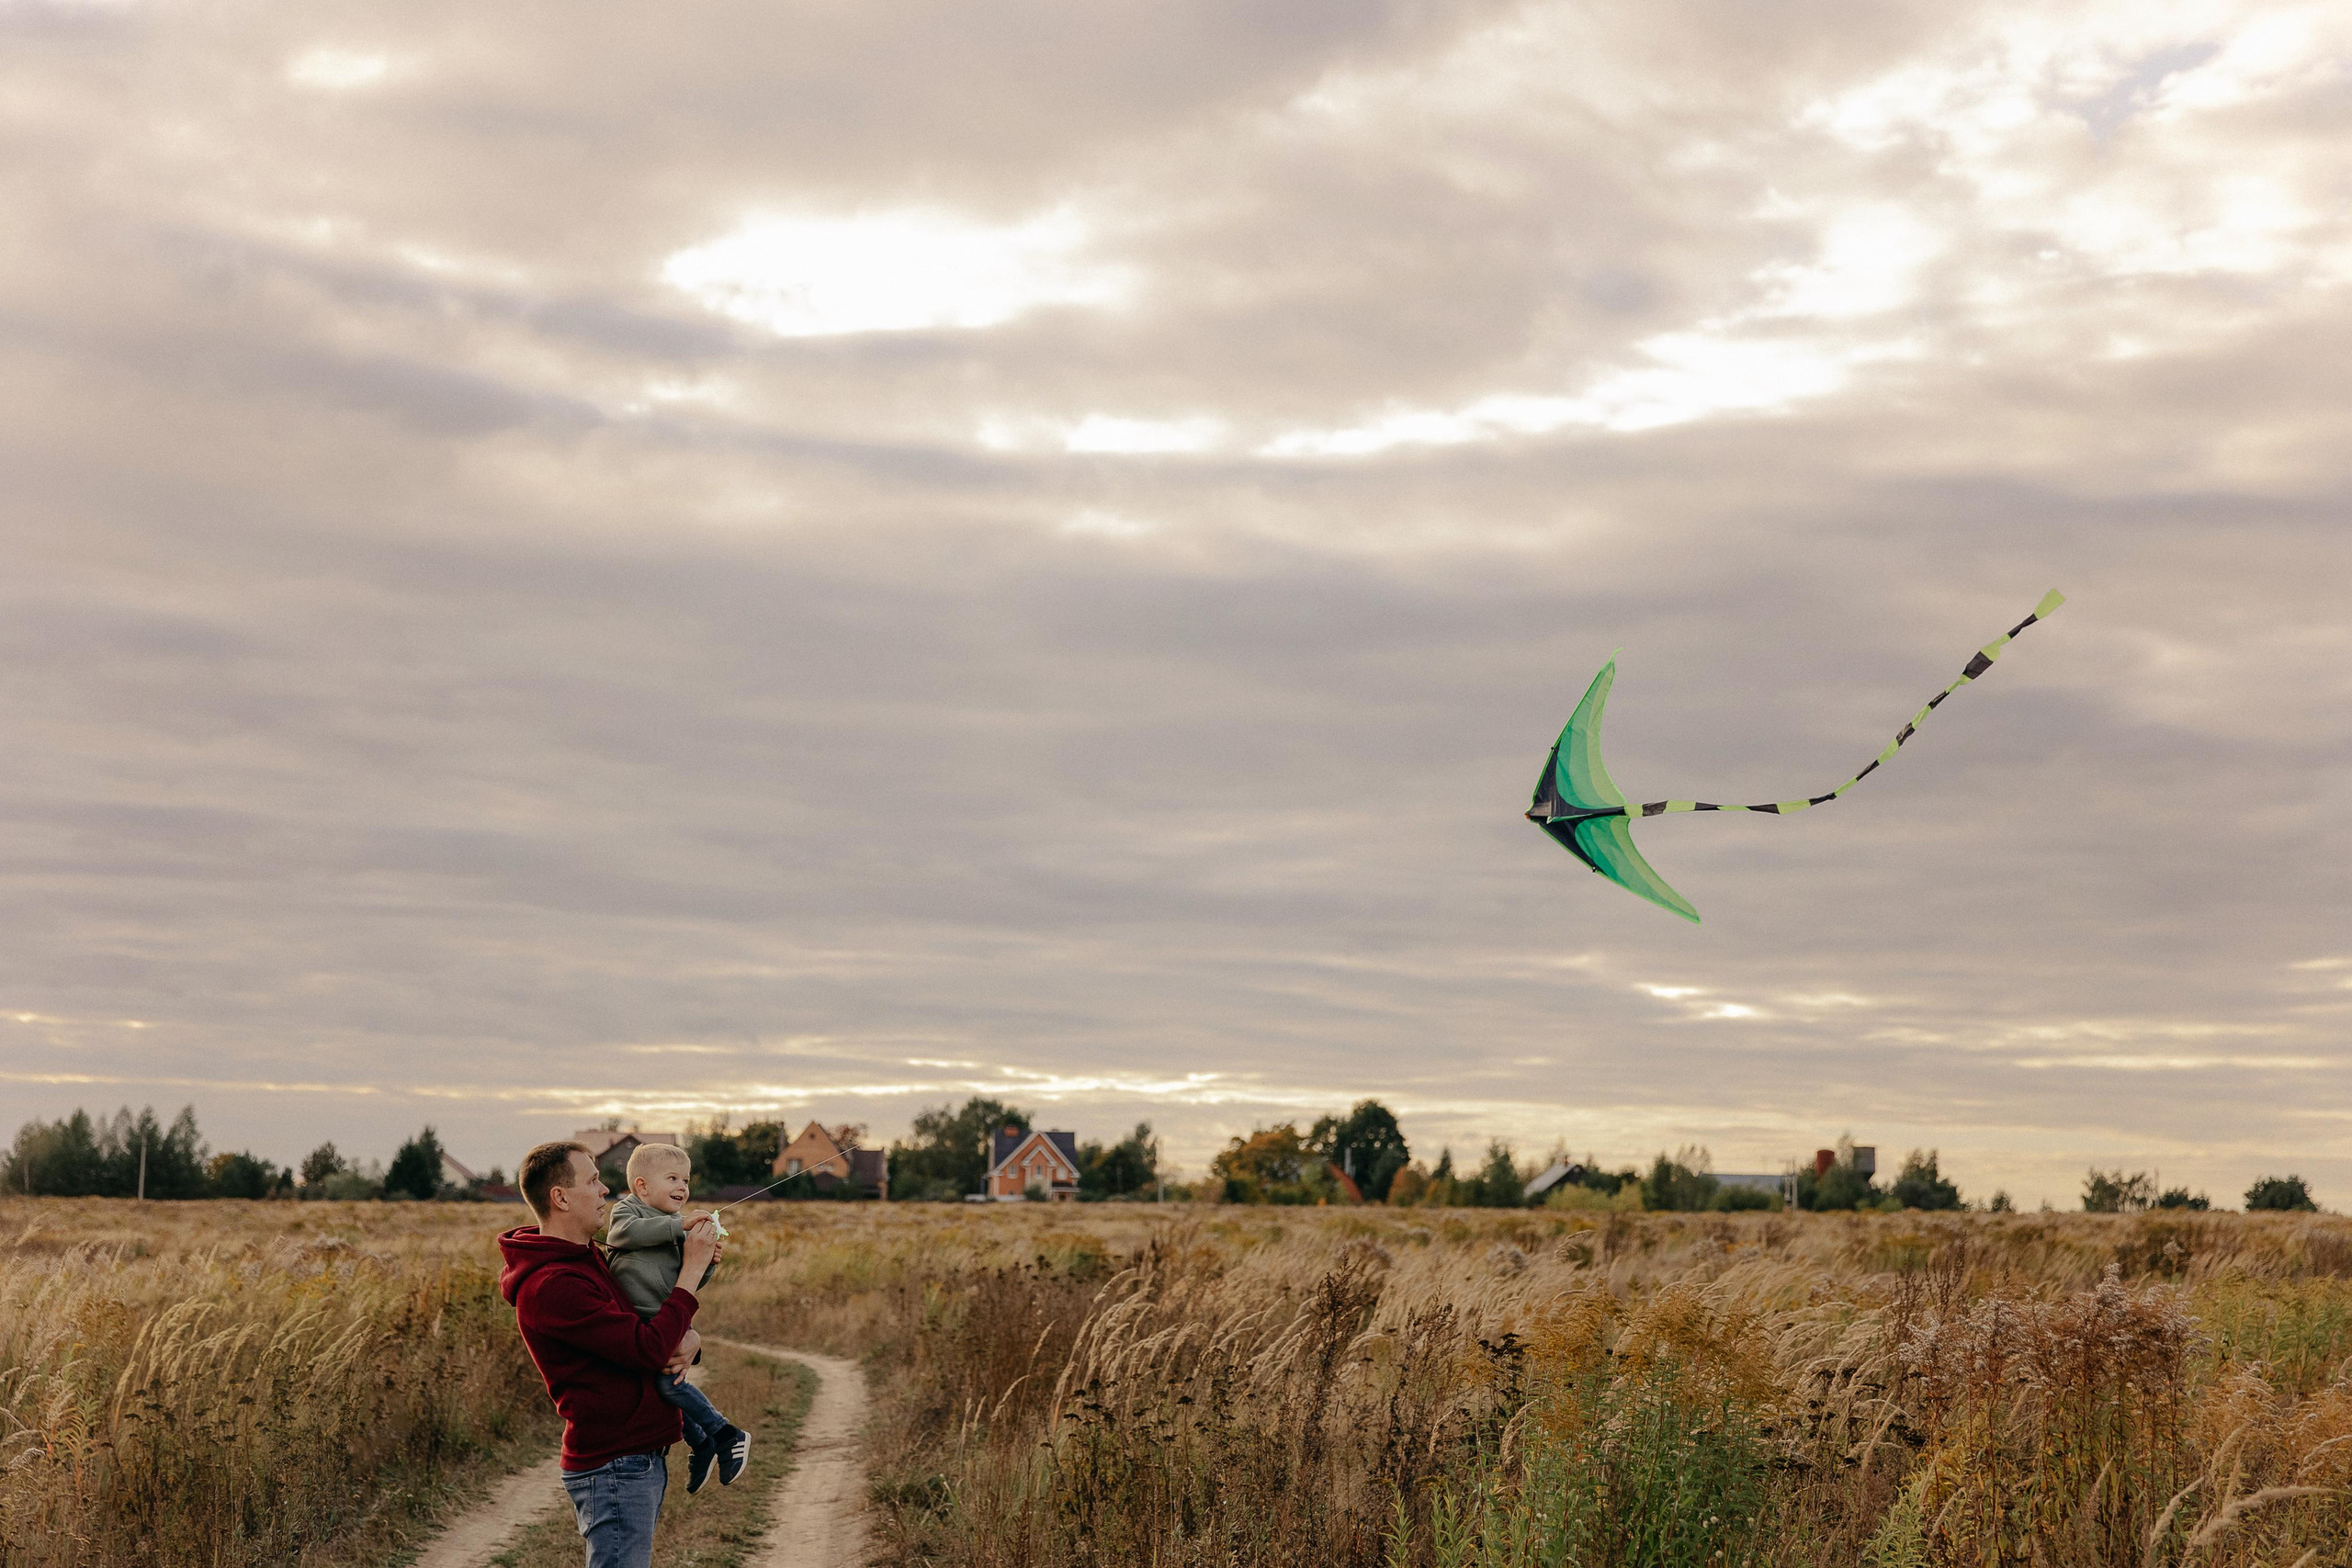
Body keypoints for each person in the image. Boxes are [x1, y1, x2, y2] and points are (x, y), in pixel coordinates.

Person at [500, 1140, 721, 1568]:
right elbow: (648, 1349)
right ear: (560, 1198)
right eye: (594, 1180)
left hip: (636, 1456)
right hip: (614, 1463)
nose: (606, 1191)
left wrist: (691, 1340)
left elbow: (649, 1326)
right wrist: (690, 1274)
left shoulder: (587, 1259)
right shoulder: (555, 1284)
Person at [605, 1142, 751, 1495]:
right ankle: (706, 1442)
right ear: (642, 1186)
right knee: (661, 1389)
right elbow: (622, 1237)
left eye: (685, 1180)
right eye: (672, 1178)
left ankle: (722, 1436)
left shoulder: (674, 1228)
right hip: (637, 1324)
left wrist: (706, 1264)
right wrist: (679, 1226)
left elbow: (687, 1279)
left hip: (661, 1321)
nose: (683, 1188)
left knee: (668, 1386)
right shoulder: (629, 1212)